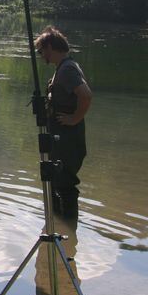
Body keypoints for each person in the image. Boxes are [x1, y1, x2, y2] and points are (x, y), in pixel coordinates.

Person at [35, 25, 92, 220]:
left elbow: (86, 96)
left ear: (50, 47)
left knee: (65, 184)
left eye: (42, 51)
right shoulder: (66, 66)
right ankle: (61, 232)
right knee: (57, 182)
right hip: (62, 138)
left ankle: (67, 231)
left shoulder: (67, 69)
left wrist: (74, 118)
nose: (41, 56)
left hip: (68, 139)